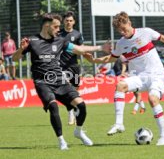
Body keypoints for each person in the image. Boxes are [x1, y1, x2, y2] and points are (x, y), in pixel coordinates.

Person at [84, 11, 164, 146]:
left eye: (123, 28)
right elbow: (111, 58)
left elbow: (163, 38)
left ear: (129, 22)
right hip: (140, 77)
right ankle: (119, 124)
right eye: (119, 30)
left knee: (152, 99)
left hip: (157, 75)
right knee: (120, 85)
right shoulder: (121, 43)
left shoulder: (145, 32)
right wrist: (94, 60)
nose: (122, 32)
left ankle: (163, 136)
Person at [12, 13, 109, 150]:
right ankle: (61, 140)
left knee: (81, 106)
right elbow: (15, 59)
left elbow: (79, 49)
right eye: (56, 26)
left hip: (60, 80)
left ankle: (78, 131)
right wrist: (21, 49)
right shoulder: (32, 41)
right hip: (42, 82)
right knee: (53, 107)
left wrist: (100, 48)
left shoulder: (60, 40)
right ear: (47, 25)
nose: (59, 29)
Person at [59, 11, 85, 125]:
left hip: (74, 65)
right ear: (63, 21)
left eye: (70, 20)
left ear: (74, 22)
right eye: (66, 20)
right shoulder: (58, 34)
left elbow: (82, 48)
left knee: (75, 89)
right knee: (67, 88)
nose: (68, 22)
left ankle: (74, 108)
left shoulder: (77, 34)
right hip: (62, 66)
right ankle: (70, 111)